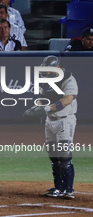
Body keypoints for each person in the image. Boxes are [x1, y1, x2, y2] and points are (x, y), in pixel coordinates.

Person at [38, 55, 78, 199]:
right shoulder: (44, 81)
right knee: (53, 155)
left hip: (65, 120)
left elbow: (68, 99)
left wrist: (50, 108)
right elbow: (42, 99)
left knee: (64, 156)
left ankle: (69, 190)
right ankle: (58, 188)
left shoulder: (68, 79)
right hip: (50, 121)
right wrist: (38, 108)